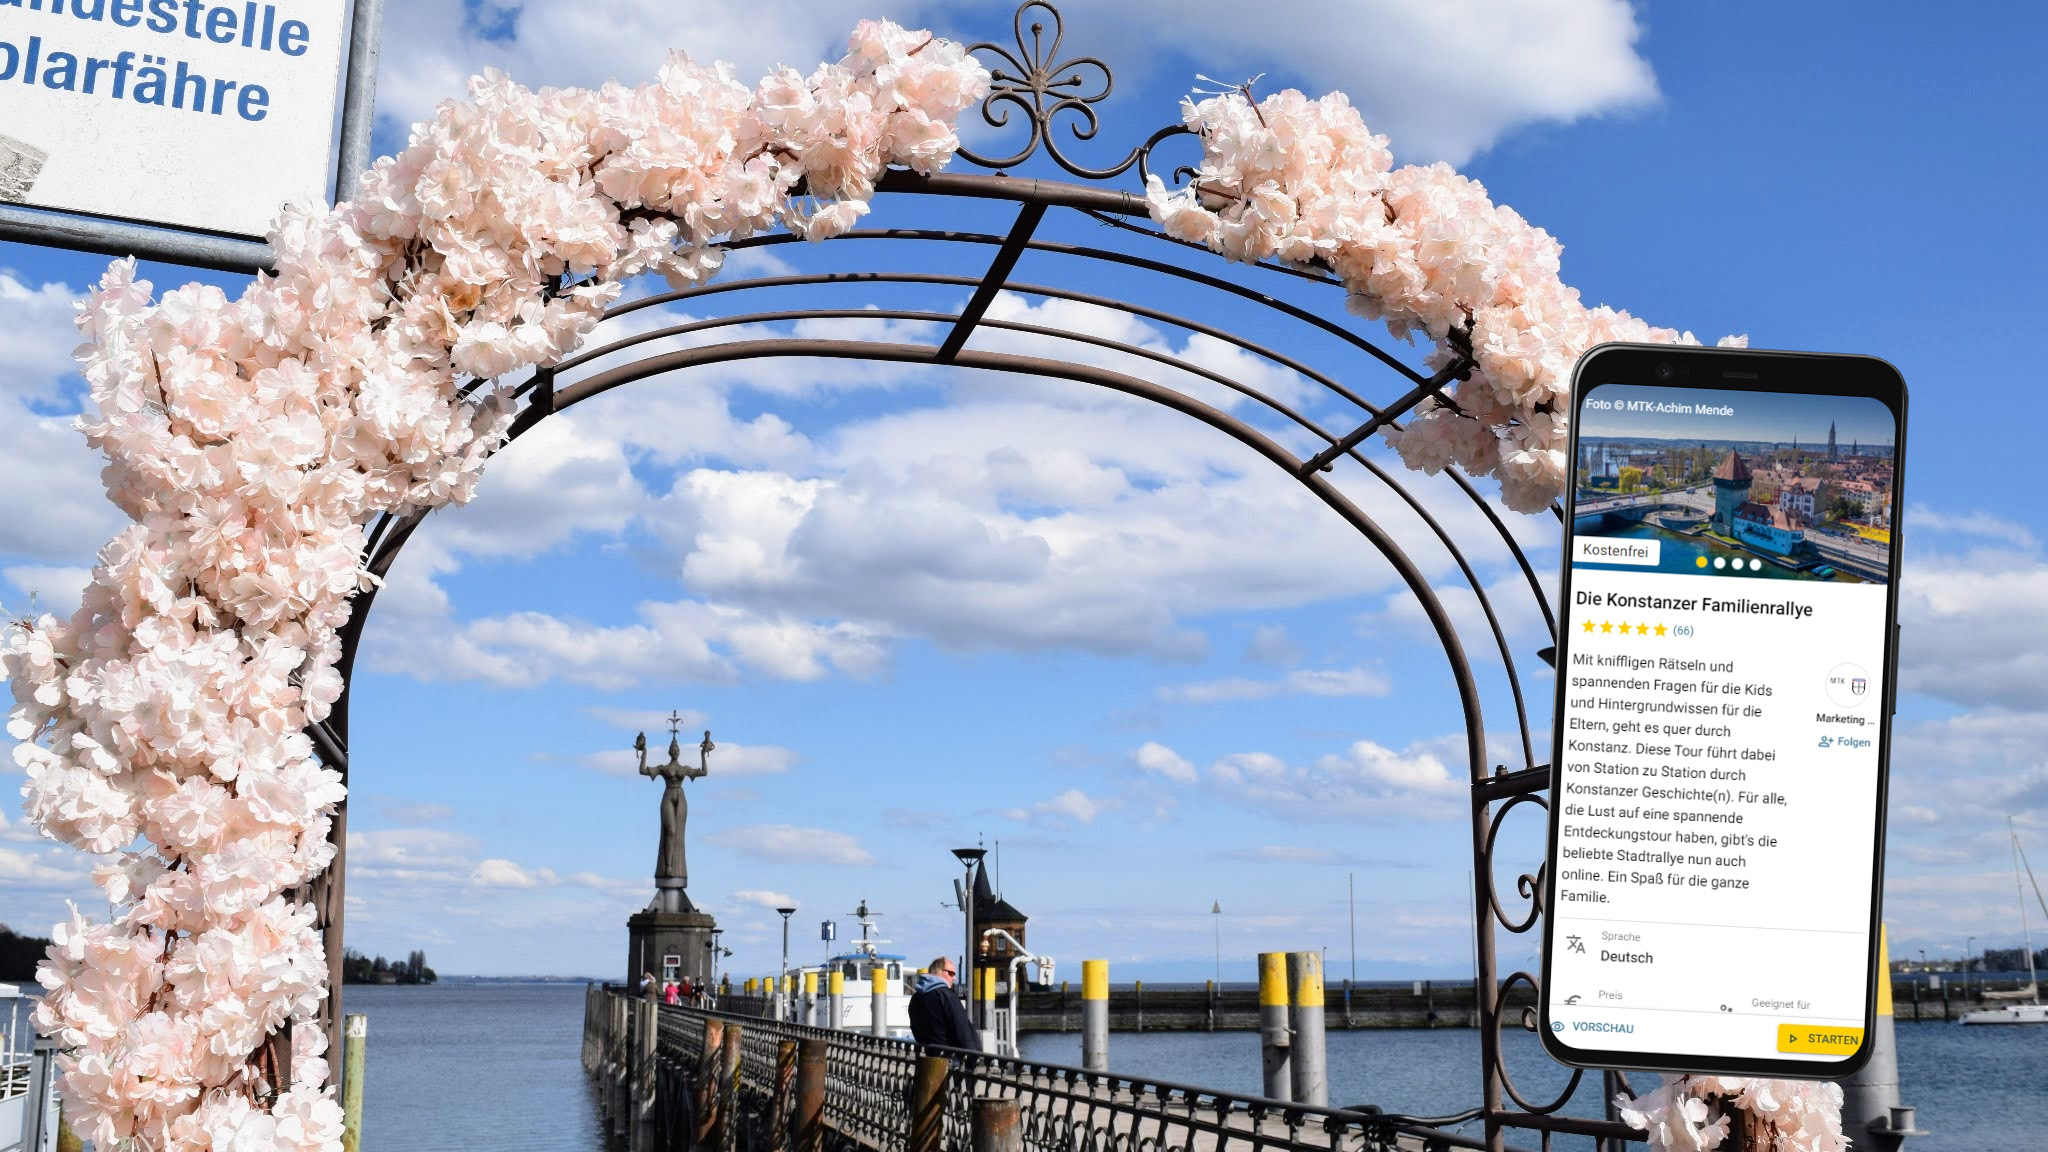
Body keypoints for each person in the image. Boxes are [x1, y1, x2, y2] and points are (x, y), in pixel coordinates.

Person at [907, 956, 979, 1052]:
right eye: (950, 973)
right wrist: (975, 1057)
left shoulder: (916, 997)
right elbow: (963, 1030)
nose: (954, 978)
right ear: (938, 971)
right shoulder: (946, 995)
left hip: (926, 1056)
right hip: (947, 1058)